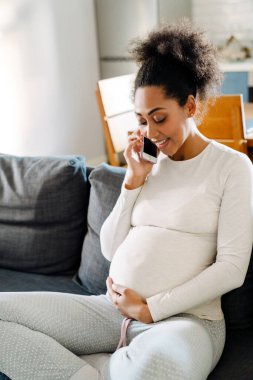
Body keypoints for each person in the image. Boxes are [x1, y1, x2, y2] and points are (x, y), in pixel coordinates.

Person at [0, 20, 253, 380]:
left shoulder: (232, 167)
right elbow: (109, 249)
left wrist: (152, 308)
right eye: (141, 120)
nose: (150, 132)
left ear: (191, 106)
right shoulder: (147, 167)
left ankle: (105, 368)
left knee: (155, 371)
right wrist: (133, 182)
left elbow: (232, 267)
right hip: (110, 311)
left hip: (184, 323)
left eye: (159, 118)